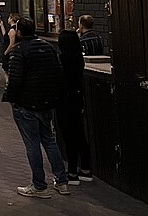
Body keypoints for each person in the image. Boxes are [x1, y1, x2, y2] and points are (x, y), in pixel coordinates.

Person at [4, 17, 69, 199]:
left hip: (26, 104)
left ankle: (39, 185)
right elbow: (58, 73)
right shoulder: (48, 47)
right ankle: (62, 181)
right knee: (49, 140)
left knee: (32, 144)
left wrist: (11, 98)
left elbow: (15, 80)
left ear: (19, 32)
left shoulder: (19, 51)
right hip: (46, 102)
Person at [57, 29, 93, 185]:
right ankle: (85, 168)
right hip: (77, 99)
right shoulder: (79, 59)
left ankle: (72, 172)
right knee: (79, 134)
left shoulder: (61, 59)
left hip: (64, 101)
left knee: (68, 136)